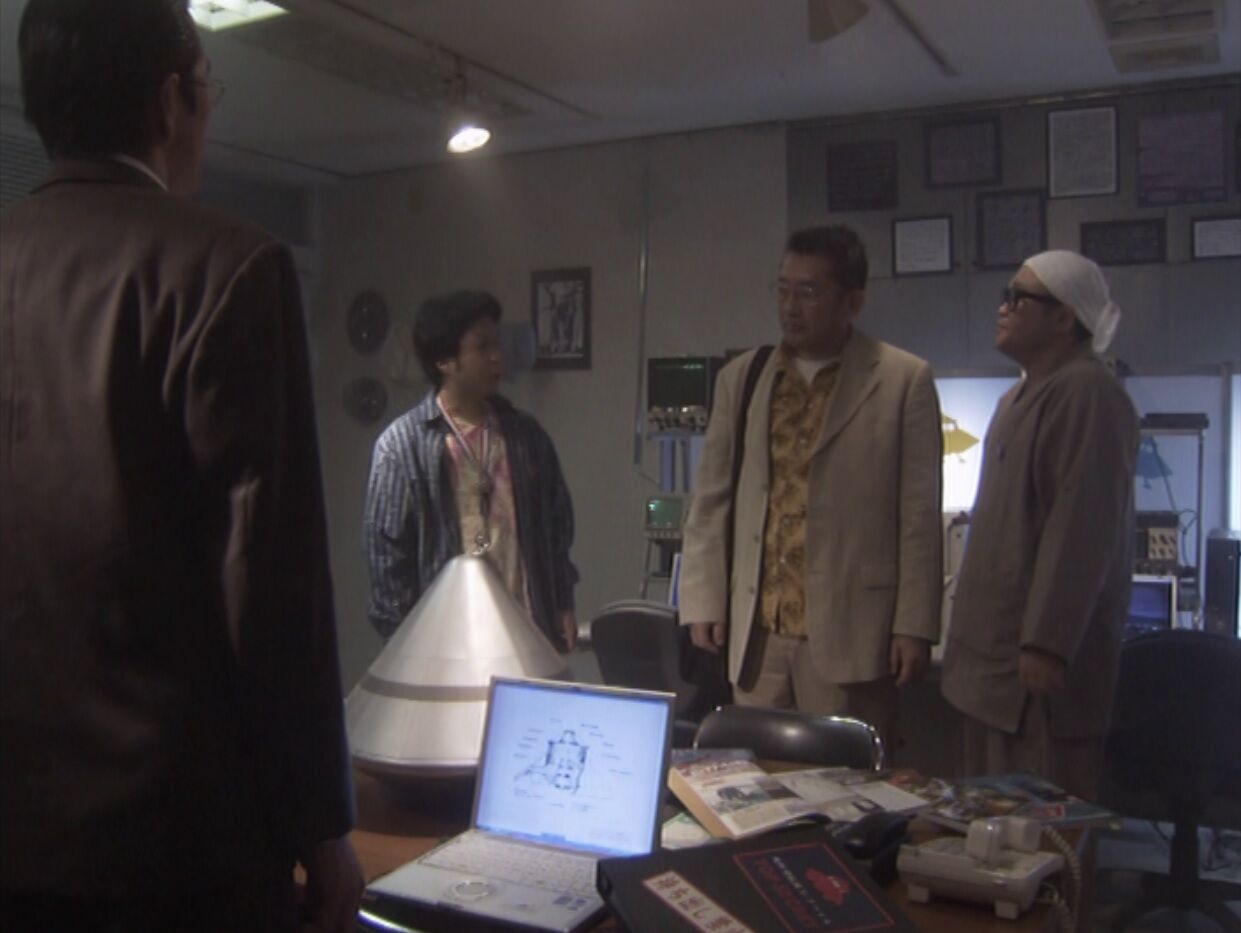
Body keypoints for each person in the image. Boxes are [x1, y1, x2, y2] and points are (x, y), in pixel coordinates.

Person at [0, 2, 361, 931]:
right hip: (170, 845)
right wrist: (320, 824)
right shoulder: (228, 268)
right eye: (206, 87)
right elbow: (271, 586)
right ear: (170, 101)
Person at [678, 225, 943, 754]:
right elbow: (710, 499)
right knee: (756, 780)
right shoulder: (744, 377)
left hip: (852, 631)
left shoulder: (901, 380)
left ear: (853, 301)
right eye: (782, 289)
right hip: (758, 634)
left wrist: (914, 624)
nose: (790, 307)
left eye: (808, 292)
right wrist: (703, 598)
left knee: (844, 784)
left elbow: (919, 515)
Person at [941, 250, 1139, 800]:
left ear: (1063, 317)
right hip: (992, 672)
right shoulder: (1018, 397)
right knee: (985, 826)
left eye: (1019, 298)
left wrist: (1047, 644)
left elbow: (1081, 528)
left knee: (1038, 832)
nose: (1003, 308)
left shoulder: (1087, 393)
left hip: (1035, 681)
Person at [364, 290, 579, 651]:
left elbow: (557, 527)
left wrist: (562, 602)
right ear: (445, 360)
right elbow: (387, 559)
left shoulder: (525, 436)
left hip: (527, 632)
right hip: (446, 646)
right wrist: (409, 647)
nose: (497, 356)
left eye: (497, 344)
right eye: (482, 347)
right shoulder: (401, 447)